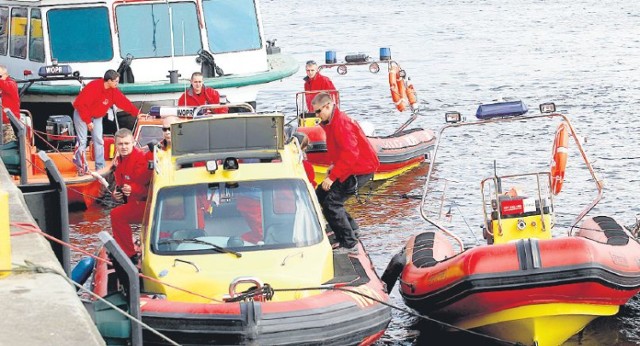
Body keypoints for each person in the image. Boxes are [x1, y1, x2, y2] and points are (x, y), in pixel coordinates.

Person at [311, 92, 379, 254]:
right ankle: (351, 230)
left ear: (328, 106)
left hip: (359, 169)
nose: (317, 115)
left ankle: (349, 243)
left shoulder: (341, 123)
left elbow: (351, 154)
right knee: (321, 194)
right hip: (351, 166)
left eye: (318, 111)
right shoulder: (332, 122)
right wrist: (333, 165)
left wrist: (332, 177)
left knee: (332, 203)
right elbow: (340, 150)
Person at [72, 69, 148, 175]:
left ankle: (100, 166)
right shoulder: (93, 87)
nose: (117, 83)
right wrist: (88, 121)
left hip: (97, 116)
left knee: (99, 140)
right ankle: (81, 167)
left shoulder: (113, 91)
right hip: (81, 114)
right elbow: (81, 105)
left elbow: (123, 102)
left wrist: (136, 113)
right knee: (82, 141)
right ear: (109, 81)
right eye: (116, 81)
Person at [110, 128, 153, 263]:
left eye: (126, 143)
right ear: (116, 145)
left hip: (147, 205)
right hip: (134, 202)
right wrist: (117, 194)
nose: (124, 147)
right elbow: (121, 184)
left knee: (117, 215)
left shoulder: (140, 160)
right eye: (121, 144)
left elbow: (150, 188)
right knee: (117, 214)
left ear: (133, 143)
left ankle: (128, 254)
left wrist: (133, 190)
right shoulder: (120, 161)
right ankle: (126, 250)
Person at [0, 65, 19, 143]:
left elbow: (5, 85)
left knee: (9, 144)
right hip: (2, 123)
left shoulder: (11, 84)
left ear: (6, 75)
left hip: (9, 124)